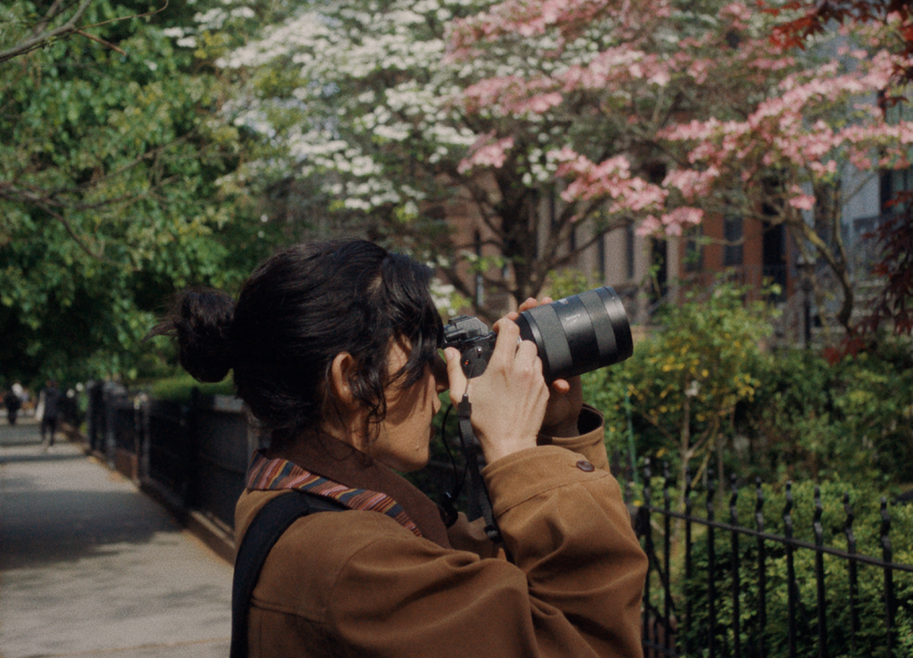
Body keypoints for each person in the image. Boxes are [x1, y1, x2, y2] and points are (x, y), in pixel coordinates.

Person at [154, 239, 647, 658]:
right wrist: (518, 454)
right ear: (350, 379)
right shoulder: (354, 564)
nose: (438, 378)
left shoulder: (310, 500)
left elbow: (507, 593)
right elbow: (590, 642)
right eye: (420, 355)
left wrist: (552, 433)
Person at [39, 379, 61, 447]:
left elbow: (40, 401)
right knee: (53, 429)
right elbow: (61, 403)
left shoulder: (44, 392)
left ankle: (44, 439)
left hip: (45, 413)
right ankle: (52, 441)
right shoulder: (58, 393)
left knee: (43, 428)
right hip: (55, 414)